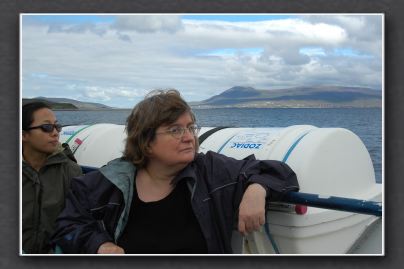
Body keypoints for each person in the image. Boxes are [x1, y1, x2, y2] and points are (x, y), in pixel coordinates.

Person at [51, 90, 299, 254]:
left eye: (190, 127)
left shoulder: (210, 170)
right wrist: (100, 245)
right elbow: (67, 226)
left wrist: (256, 190)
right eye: (175, 130)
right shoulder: (106, 183)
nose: (189, 137)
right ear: (145, 141)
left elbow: (278, 172)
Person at [22, 101, 83, 253]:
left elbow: (80, 220)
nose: (55, 133)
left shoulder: (70, 171)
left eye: (57, 126)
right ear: (23, 134)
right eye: (47, 127)